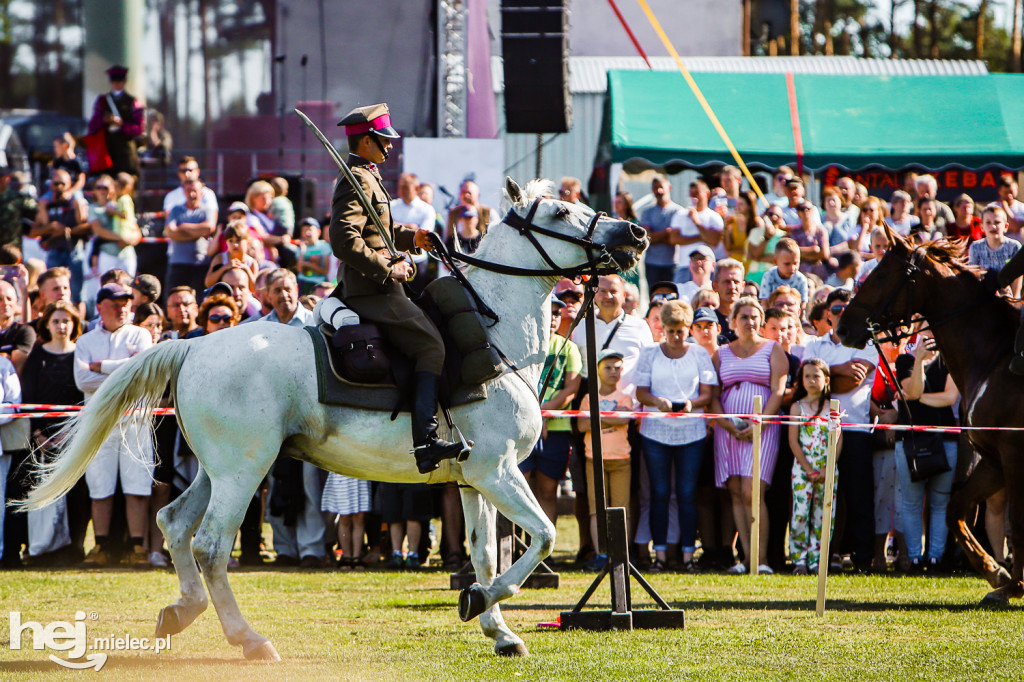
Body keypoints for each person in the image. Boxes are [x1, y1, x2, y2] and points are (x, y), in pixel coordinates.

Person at [329, 103, 464, 474]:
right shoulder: (355, 178)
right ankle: (426, 442)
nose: (390, 147)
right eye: (383, 140)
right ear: (366, 141)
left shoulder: (368, 175)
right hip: (372, 290)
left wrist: (412, 236)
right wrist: (391, 267)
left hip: (380, 287)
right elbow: (344, 241)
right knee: (431, 346)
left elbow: (379, 231)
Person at [634, 300, 717, 572]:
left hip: (691, 432)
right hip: (655, 431)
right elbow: (640, 391)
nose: (676, 336)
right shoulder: (650, 353)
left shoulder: (698, 354)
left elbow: (708, 392)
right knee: (658, 492)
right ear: (663, 329)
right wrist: (658, 402)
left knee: (686, 493)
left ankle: (687, 555)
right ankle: (659, 555)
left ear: (688, 329)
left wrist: (693, 403)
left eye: (681, 330)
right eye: (671, 331)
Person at [74, 283, 153, 566]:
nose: (122, 307)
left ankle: (138, 548)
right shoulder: (84, 341)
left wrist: (102, 366)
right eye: (115, 302)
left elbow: (143, 374)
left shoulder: (141, 334)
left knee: (138, 486)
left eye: (126, 302)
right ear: (100, 306)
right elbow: (82, 381)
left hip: (135, 421)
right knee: (100, 486)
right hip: (100, 422)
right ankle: (101, 547)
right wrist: (124, 369)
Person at [711, 296, 787, 574]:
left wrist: (760, 423)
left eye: (755, 317)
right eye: (744, 316)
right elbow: (714, 394)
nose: (750, 322)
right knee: (735, 491)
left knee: (753, 491)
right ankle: (745, 559)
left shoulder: (772, 349)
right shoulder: (721, 353)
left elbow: (778, 391)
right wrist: (727, 423)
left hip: (763, 427)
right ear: (733, 322)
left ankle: (762, 558)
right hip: (728, 430)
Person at [802, 288, 877, 572]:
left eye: (847, 308)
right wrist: (842, 369)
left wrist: (825, 374)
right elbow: (809, 382)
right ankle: (823, 555)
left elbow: (853, 382)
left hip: (855, 427)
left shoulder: (866, 343)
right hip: (820, 429)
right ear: (827, 315)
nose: (841, 313)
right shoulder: (814, 345)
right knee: (824, 497)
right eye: (835, 309)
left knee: (858, 495)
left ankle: (862, 558)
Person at [21, 301, 87, 563]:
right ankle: (41, 549)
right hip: (42, 439)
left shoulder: (79, 354)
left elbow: (83, 397)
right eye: (56, 321)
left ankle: (74, 548)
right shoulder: (38, 355)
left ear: (74, 324)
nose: (62, 326)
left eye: (67, 321)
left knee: (77, 493)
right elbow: (29, 395)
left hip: (74, 435)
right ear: (47, 325)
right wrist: (38, 432)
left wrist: (69, 435)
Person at [893, 326, 958, 573]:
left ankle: (934, 558)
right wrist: (919, 359)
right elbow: (914, 388)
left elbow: (950, 398)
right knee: (911, 503)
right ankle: (914, 558)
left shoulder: (950, 358)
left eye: (934, 333)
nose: (930, 338)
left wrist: (913, 398)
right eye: (925, 334)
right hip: (910, 440)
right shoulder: (904, 360)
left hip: (945, 439)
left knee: (940, 502)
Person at [520, 296, 581, 527]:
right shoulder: (523, 345)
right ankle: (516, 550)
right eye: (550, 312)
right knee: (518, 491)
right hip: (522, 427)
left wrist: (541, 414)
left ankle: (546, 552)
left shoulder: (569, 347)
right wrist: (534, 417)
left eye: (557, 313)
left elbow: (571, 389)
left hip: (556, 430)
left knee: (548, 492)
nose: (554, 318)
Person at [577, 349, 634, 572]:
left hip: (621, 459)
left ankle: (622, 555)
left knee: (622, 509)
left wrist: (597, 419)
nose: (613, 371)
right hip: (595, 459)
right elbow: (582, 426)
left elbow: (625, 418)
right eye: (607, 367)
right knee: (596, 509)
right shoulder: (589, 398)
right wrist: (611, 418)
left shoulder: (625, 397)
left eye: (617, 367)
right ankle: (601, 553)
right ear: (597, 370)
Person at [787, 358, 840, 574]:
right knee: (800, 513)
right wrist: (808, 469)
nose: (811, 380)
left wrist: (827, 468)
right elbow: (793, 441)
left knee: (824, 515)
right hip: (802, 469)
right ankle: (799, 559)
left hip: (827, 470)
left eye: (816, 376)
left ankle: (817, 559)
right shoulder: (797, 407)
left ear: (826, 379)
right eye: (807, 376)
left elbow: (838, 440)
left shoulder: (833, 408)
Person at [31, 169, 89, 302]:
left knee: (76, 296)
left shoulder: (76, 201)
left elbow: (87, 227)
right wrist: (51, 227)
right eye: (56, 184)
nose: (59, 187)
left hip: (74, 251)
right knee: (53, 293)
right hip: (54, 251)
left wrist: (67, 231)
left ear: (69, 184)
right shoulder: (46, 202)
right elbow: (34, 231)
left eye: (62, 183)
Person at [85, 65, 145, 176]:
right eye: (114, 80)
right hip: (106, 152)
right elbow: (93, 125)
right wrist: (105, 120)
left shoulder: (133, 102)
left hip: (125, 153)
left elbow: (139, 128)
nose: (117, 84)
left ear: (124, 81)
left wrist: (122, 124)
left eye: (120, 80)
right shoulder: (102, 101)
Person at [165, 179, 215, 293]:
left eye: (195, 191)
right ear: (184, 192)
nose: (192, 194)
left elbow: (208, 228)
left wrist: (183, 226)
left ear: (201, 193)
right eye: (188, 191)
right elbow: (170, 232)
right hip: (178, 263)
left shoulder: (206, 210)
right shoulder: (176, 210)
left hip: (200, 263)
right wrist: (197, 234)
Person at [390, 173, 436, 290]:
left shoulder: (427, 209)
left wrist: (396, 224)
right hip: (394, 260)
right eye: (400, 186)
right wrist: (410, 226)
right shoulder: (391, 206)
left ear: (416, 188)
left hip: (417, 261)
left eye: (405, 187)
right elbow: (385, 227)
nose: (401, 190)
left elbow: (425, 234)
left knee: (417, 297)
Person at [639, 174, 685, 288]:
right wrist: (667, 232)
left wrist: (656, 236)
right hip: (652, 263)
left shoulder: (678, 211)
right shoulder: (647, 211)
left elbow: (675, 239)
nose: (658, 191)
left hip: (672, 263)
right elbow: (647, 238)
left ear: (669, 187)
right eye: (655, 188)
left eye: (661, 187)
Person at [668, 179, 726, 267]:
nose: (693, 197)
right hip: (684, 265)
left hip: (706, 267)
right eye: (691, 194)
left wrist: (697, 222)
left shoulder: (714, 216)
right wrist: (700, 238)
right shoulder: (680, 214)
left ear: (707, 194)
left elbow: (713, 240)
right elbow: (674, 239)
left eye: (697, 193)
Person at [321, 471, 372, 569]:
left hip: (360, 472)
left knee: (359, 517)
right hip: (341, 473)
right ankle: (346, 557)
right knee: (344, 516)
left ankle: (356, 557)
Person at [968, 204, 1021, 297]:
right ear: (982, 226)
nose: (993, 226)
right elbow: (974, 275)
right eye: (988, 222)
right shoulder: (975, 247)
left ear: (1006, 226)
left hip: (1009, 296)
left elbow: (1018, 276)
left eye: (997, 222)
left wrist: (1015, 299)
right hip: (985, 296)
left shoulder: (1014, 246)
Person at [205, 220, 260, 288]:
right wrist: (225, 267)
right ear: (226, 242)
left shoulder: (251, 263)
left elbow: (255, 289)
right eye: (231, 241)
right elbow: (208, 283)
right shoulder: (220, 259)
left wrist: (246, 269)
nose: (234, 244)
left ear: (248, 243)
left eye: (238, 240)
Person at [0, 277, 35, 374]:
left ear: (16, 302)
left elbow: (14, 370)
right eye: (0, 299)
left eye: (9, 299)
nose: (5, 303)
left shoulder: (23, 331)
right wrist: (4, 357)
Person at [759, 238, 808, 304]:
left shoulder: (801, 279)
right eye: (787, 264)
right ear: (776, 262)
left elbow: (803, 304)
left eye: (795, 263)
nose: (792, 268)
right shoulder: (769, 276)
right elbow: (764, 302)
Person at [746, 205, 786, 284]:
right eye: (771, 214)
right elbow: (755, 253)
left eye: (777, 216)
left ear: (781, 219)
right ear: (765, 215)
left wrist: (757, 258)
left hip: (774, 276)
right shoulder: (756, 232)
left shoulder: (784, 236)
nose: (774, 217)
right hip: (754, 275)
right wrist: (767, 237)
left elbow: (779, 258)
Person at [791, 201, 829, 279]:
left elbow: (825, 254)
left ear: (812, 211)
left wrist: (801, 253)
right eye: (802, 209)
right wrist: (814, 250)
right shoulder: (794, 233)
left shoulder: (820, 231)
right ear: (798, 212)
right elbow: (792, 253)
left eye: (808, 208)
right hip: (801, 273)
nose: (806, 211)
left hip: (818, 272)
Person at [295, 217, 332, 294]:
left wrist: (308, 265)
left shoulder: (324, 246)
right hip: (303, 282)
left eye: (310, 229)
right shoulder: (301, 248)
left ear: (318, 232)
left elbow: (325, 270)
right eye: (304, 230)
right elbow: (299, 269)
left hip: (319, 283)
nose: (307, 233)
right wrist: (302, 251)